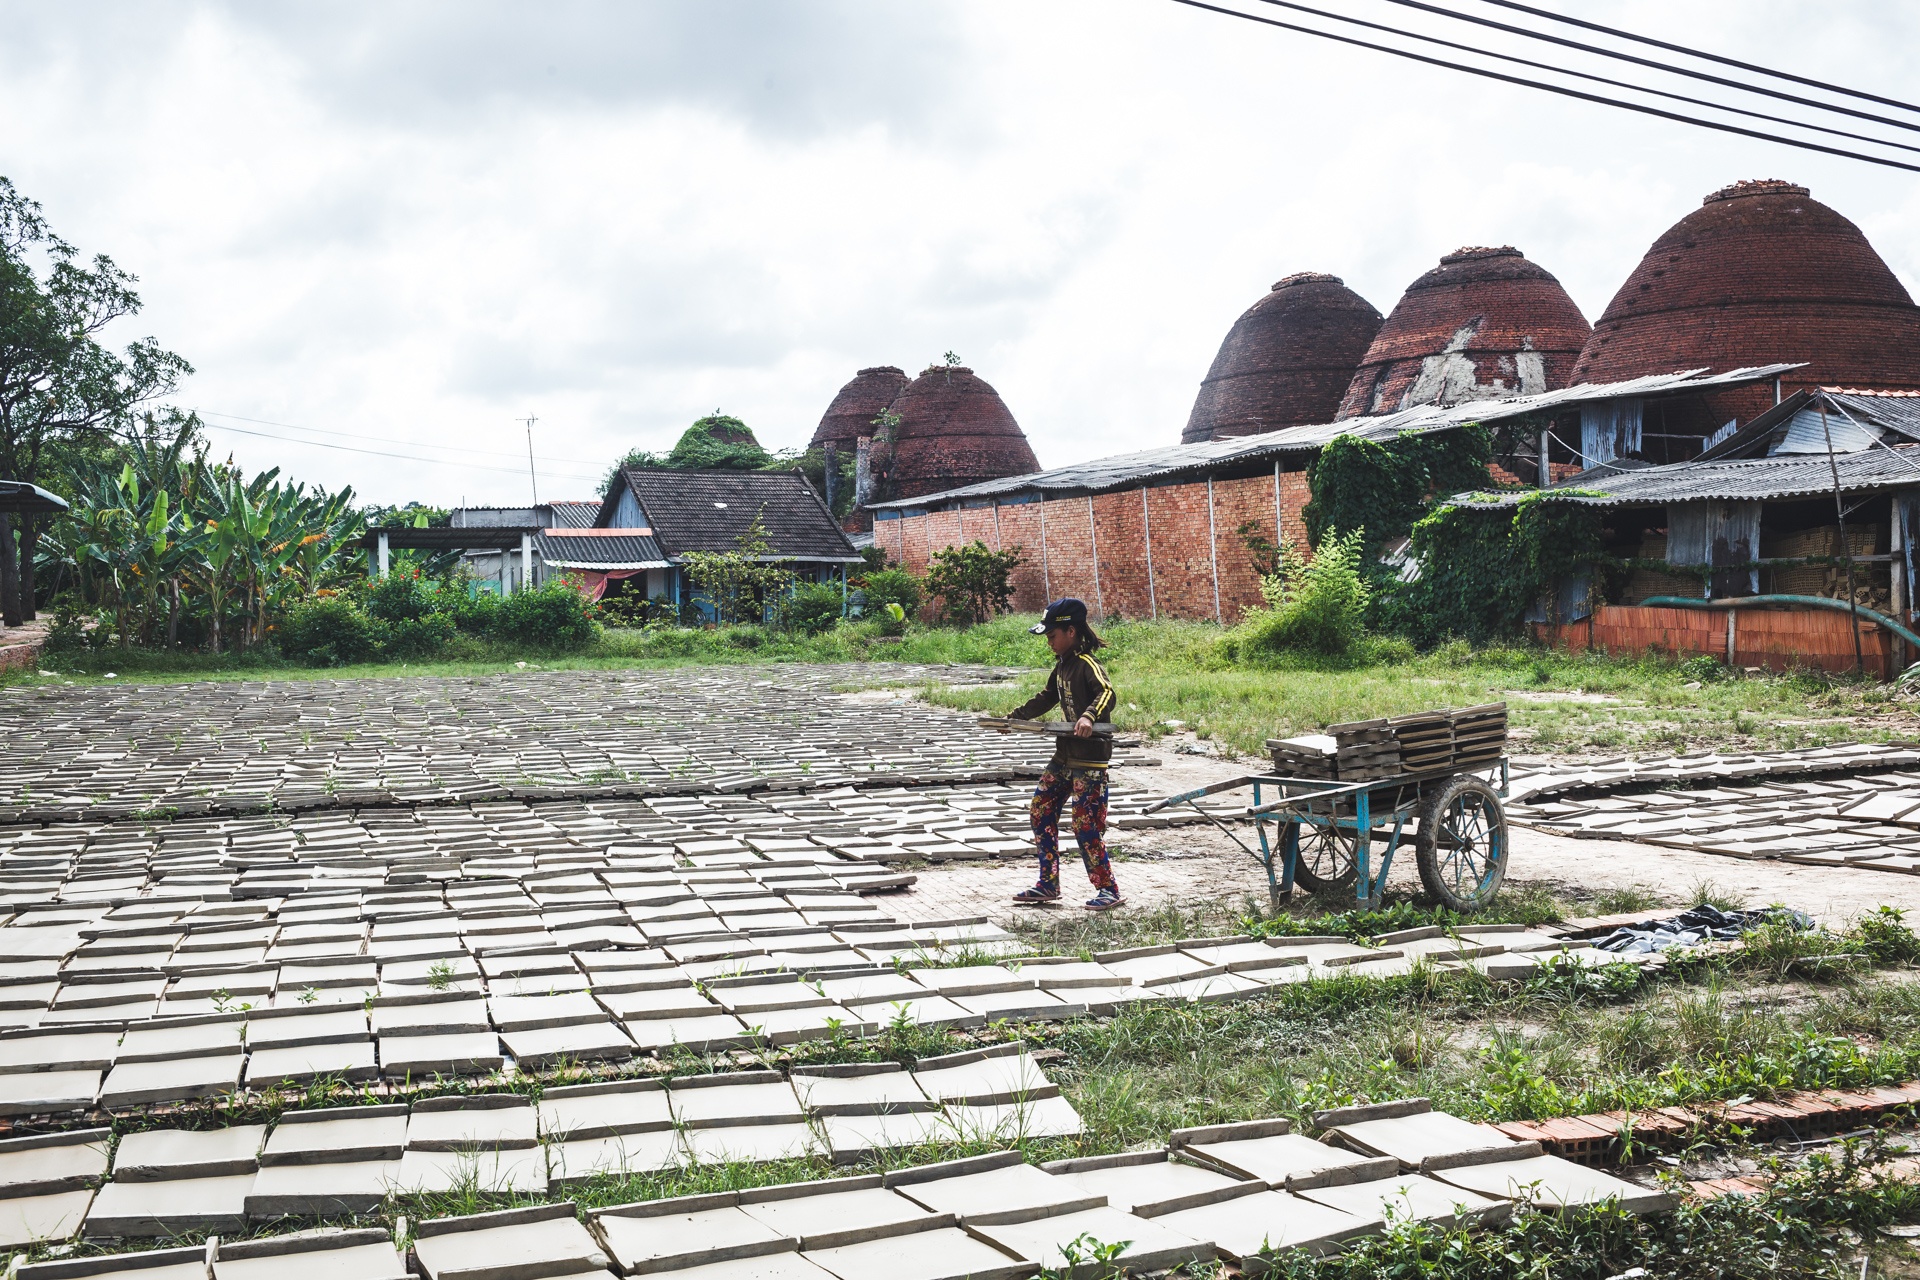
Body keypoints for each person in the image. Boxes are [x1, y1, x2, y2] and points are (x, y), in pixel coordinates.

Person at [1001, 597, 1124, 911]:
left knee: (1085, 824)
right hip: (1064, 756)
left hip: (1090, 760)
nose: (1049, 642)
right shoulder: (1061, 667)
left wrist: (1088, 716)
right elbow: (1046, 698)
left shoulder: (1087, 664)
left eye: (1052, 635)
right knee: (1040, 809)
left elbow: (1107, 693)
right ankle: (1048, 883)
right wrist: (1014, 718)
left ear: (1071, 632)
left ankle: (1108, 889)